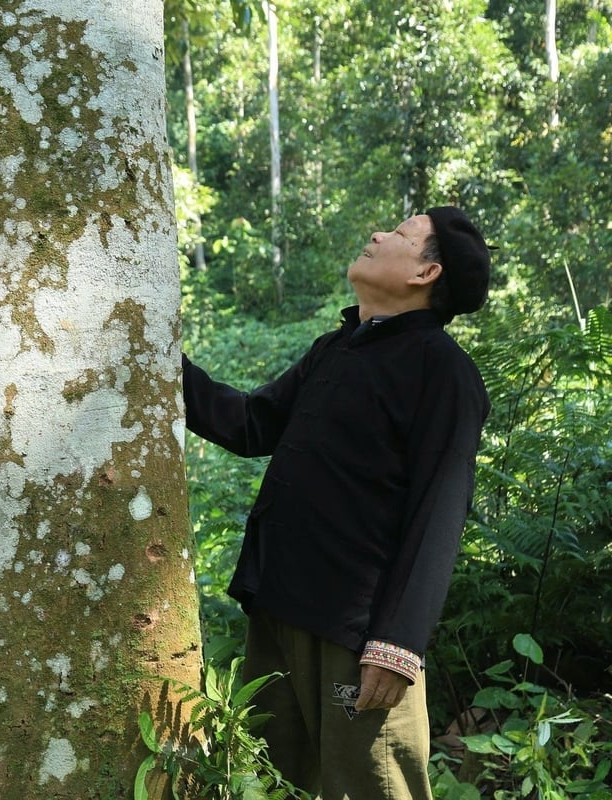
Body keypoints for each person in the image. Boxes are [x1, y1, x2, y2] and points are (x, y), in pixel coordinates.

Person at [183, 207, 492, 798]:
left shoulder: (445, 373)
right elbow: (251, 424)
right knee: (276, 784)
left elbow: (439, 514)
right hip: (279, 607)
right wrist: (158, 365)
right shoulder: (337, 348)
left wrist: (399, 643)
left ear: (427, 273)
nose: (377, 234)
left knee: (372, 789)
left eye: (400, 235)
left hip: (360, 638)